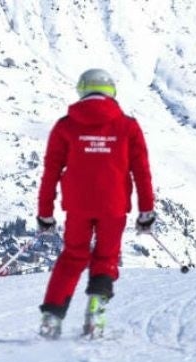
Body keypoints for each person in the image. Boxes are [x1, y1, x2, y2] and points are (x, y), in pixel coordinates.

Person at [36, 68, 155, 339]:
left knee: (73, 257)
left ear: (82, 90)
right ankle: (95, 312)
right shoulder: (127, 126)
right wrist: (146, 210)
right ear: (111, 91)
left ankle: (51, 318)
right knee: (105, 257)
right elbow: (141, 172)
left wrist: (45, 213)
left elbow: (51, 172)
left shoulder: (65, 126)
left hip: (77, 205)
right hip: (113, 206)